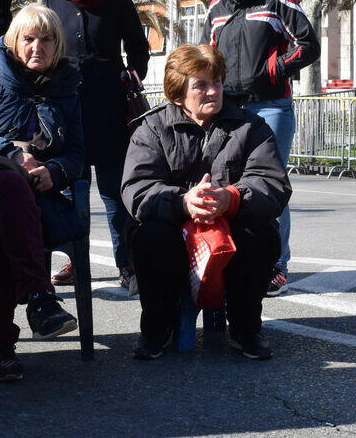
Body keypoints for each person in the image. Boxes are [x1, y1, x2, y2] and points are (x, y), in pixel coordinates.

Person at [121, 44, 289, 360]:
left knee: (261, 233)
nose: (213, 91)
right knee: (150, 235)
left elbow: (273, 183)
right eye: (201, 85)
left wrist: (232, 198)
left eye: (217, 82)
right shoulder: (152, 129)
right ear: (177, 94)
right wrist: (184, 202)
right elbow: (137, 189)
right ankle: (157, 328)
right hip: (174, 227)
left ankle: (246, 329)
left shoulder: (251, 127)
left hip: (230, 226)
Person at [0, 4, 85, 382]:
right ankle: (38, 300)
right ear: (13, 41)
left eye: (46, 39)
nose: (36, 47)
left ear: (57, 45)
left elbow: (77, 153)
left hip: (38, 199)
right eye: (28, 39)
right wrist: (9, 153)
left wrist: (54, 172)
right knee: (9, 190)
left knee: (12, 222)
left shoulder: (67, 89)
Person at [201, 0, 320, 297]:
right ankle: (236, 257)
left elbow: (309, 44)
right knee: (228, 183)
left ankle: (276, 266)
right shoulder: (216, 8)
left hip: (272, 107)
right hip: (230, 108)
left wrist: (275, 69)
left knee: (269, 184)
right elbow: (206, 58)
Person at [43, 0, 149, 290]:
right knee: (73, 190)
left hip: (107, 101)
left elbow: (138, 45)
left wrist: (131, 76)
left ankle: (128, 265)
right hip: (65, 102)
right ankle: (77, 260)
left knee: (114, 192)